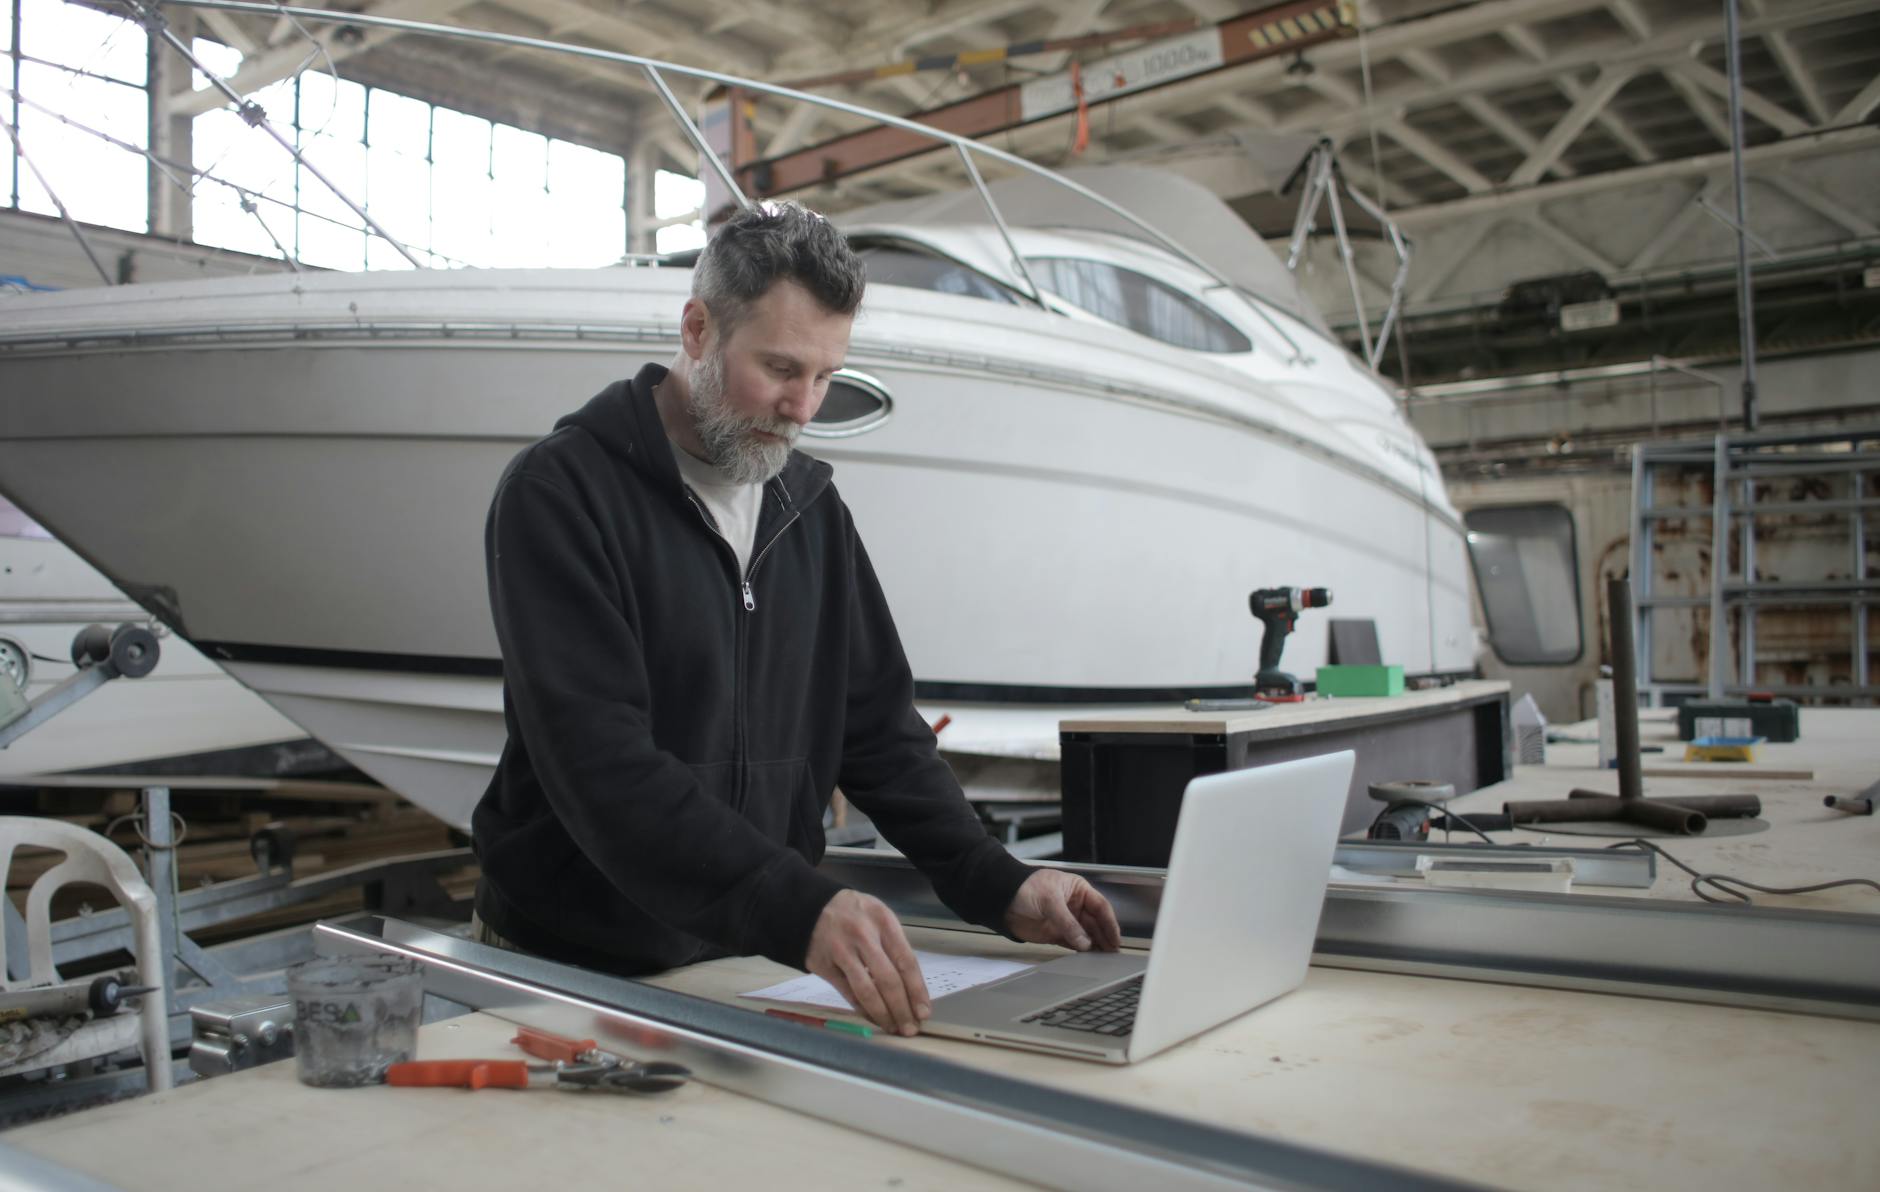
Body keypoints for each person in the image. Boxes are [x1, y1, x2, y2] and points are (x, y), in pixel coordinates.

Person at [470, 201, 1121, 1036]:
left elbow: (879, 734)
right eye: (781, 369)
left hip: (741, 963)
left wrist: (997, 881)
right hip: (566, 965)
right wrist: (796, 906)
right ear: (698, 329)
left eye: (825, 376)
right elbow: (603, 768)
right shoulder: (561, 496)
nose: (804, 407)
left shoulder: (810, 509)